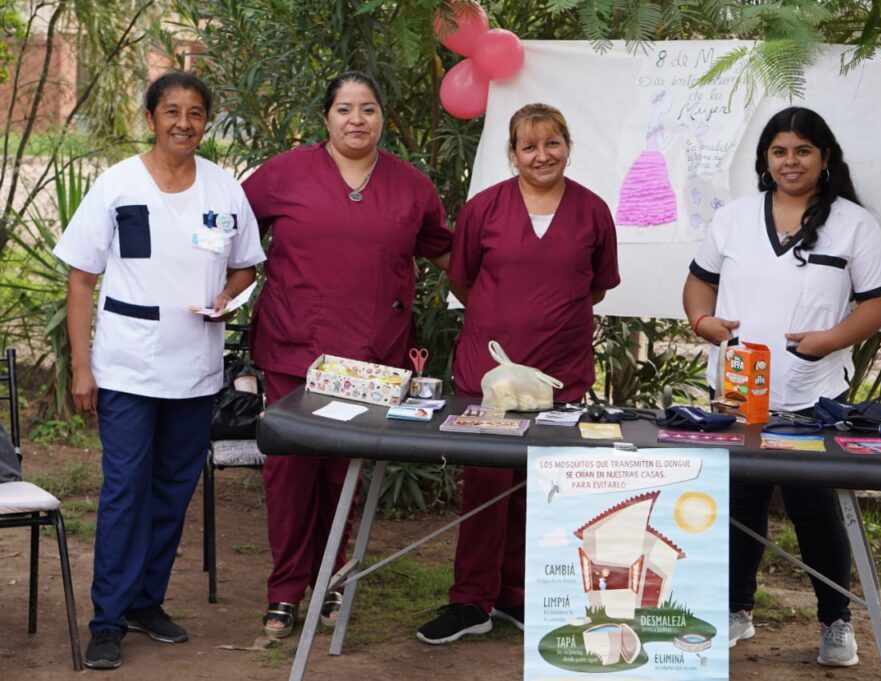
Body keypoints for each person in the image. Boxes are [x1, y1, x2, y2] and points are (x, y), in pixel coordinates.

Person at [55, 72, 265, 670]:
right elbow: (80, 279)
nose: (183, 122)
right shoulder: (117, 185)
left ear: (206, 122)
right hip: (126, 367)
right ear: (150, 117)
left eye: (195, 112)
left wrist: (226, 297)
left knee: (174, 490)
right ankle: (107, 620)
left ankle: (148, 601)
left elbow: (247, 266)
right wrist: (81, 368)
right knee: (125, 491)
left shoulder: (224, 191)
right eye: (171, 110)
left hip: (195, 367)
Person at [682, 106, 881, 667]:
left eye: (803, 150)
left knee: (815, 508)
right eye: (779, 150)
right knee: (739, 502)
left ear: (825, 157)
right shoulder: (734, 218)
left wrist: (829, 339)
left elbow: (879, 302)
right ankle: (735, 611)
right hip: (733, 398)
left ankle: (835, 621)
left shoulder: (854, 223)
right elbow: (698, 286)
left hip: (814, 396)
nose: (790, 161)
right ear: (765, 159)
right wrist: (704, 324)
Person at [242, 71, 452, 639]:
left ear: (383, 117)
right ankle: (285, 591)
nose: (356, 119)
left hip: (372, 358)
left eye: (367, 109)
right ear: (326, 118)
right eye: (344, 109)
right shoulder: (281, 175)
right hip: (293, 350)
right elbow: (231, 237)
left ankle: (332, 584)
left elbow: (447, 253)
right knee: (289, 472)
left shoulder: (412, 187)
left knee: (346, 474)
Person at [417, 103, 621, 645]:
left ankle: (520, 596)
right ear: (512, 154)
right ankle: (469, 602)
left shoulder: (593, 212)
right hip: (490, 378)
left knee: (543, 486)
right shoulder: (484, 208)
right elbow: (463, 281)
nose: (541, 155)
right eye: (528, 146)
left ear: (567, 146)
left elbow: (596, 288)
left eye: (551, 143)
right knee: (486, 484)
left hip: (560, 374)